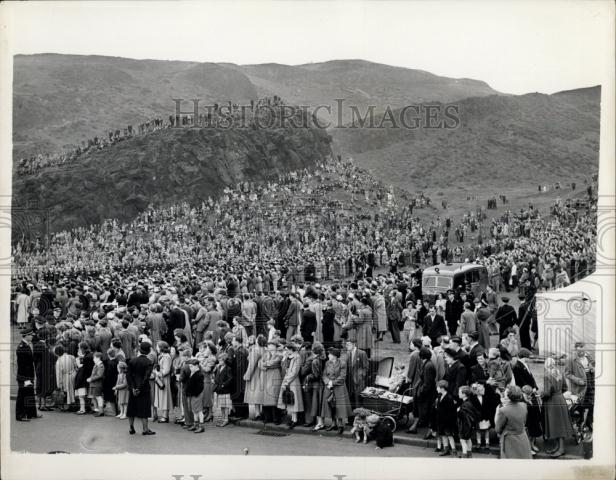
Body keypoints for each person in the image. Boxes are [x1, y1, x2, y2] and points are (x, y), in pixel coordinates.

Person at [542, 357, 574, 457]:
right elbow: (565, 387)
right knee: (559, 424)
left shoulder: (547, 375)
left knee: (557, 425)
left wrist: (542, 394)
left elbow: (547, 392)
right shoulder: (559, 372)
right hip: (560, 399)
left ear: (546, 366)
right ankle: (558, 447)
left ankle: (561, 449)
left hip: (552, 401)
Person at [494, 385, 533, 459]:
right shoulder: (524, 405)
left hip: (510, 440)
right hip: (522, 436)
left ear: (508, 396)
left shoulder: (504, 410)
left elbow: (497, 429)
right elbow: (524, 421)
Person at [126, 342, 155, 435]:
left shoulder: (132, 361)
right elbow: (146, 377)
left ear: (140, 349)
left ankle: (131, 427)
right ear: (149, 351)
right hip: (143, 388)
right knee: (144, 408)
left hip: (133, 387)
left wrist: (133, 387)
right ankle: (145, 429)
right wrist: (139, 388)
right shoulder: (149, 362)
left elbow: (128, 375)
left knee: (131, 407)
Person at [321, 347, 352, 434]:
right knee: (330, 405)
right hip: (329, 387)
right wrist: (328, 383)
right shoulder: (327, 363)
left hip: (339, 387)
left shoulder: (342, 363)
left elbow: (342, 377)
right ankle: (333, 424)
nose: (328, 355)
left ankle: (340, 425)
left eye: (329, 354)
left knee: (339, 406)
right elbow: (324, 375)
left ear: (334, 356)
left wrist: (332, 383)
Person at [277, 342, 304, 428]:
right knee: (289, 400)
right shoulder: (288, 357)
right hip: (287, 380)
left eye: (287, 349)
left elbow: (295, 372)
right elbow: (284, 367)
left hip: (293, 381)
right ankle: (292, 419)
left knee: (293, 400)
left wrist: (286, 381)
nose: (285, 351)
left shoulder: (297, 357)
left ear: (290, 349)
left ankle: (295, 420)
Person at [15, 328, 40, 421]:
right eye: (30, 335)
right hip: (24, 376)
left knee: (30, 394)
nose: (32, 336)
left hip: (29, 375)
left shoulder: (26, 345)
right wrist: (26, 379)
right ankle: (20, 415)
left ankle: (31, 413)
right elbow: (22, 365)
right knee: (22, 395)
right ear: (26, 336)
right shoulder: (22, 347)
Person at [260, 340, 283, 425]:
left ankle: (276, 419)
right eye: (268, 345)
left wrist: (265, 364)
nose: (269, 346)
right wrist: (265, 365)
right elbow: (259, 364)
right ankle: (267, 418)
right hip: (267, 377)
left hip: (275, 376)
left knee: (274, 397)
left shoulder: (279, 355)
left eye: (271, 345)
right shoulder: (266, 354)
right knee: (266, 398)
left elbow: (273, 363)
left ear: (275, 346)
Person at [243, 335, 265, 420]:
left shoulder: (256, 350)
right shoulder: (265, 349)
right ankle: (262, 412)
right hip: (263, 373)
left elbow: (251, 364)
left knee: (256, 393)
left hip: (256, 373)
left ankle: (257, 413)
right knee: (261, 393)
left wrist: (247, 375)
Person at [434, 379, 457, 456]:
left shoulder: (449, 398)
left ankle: (454, 451)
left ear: (442, 388)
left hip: (447, 422)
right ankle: (446, 449)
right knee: (443, 435)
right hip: (441, 421)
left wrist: (448, 422)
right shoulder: (440, 396)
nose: (436, 389)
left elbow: (451, 412)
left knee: (450, 436)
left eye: (437, 387)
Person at [345, 339, 369, 410]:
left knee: (358, 400)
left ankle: (358, 416)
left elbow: (366, 367)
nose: (346, 346)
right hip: (349, 381)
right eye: (346, 345)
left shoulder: (362, 353)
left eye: (348, 345)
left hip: (358, 381)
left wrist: (361, 376)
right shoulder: (348, 353)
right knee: (351, 400)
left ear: (353, 344)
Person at [457, 386, 480, 458]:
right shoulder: (469, 402)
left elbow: (464, 416)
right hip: (470, 426)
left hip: (465, 426)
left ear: (464, 394)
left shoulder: (465, 404)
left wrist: (458, 411)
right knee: (469, 439)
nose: (458, 394)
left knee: (463, 441)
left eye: (459, 392)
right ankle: (469, 455)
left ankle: (464, 456)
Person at [153, 341, 173, 423]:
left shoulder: (167, 357)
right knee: (162, 396)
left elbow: (166, 370)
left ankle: (165, 416)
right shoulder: (161, 356)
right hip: (160, 378)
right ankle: (164, 415)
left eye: (157, 347)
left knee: (165, 396)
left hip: (164, 379)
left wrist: (157, 372)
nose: (156, 348)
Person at [54, 344, 77, 411]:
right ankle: (74, 404)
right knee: (73, 390)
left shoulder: (59, 361)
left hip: (65, 376)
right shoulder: (71, 356)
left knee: (68, 391)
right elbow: (75, 366)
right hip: (73, 374)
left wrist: (59, 385)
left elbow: (58, 374)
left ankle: (70, 405)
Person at [213, 354, 234, 427]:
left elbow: (230, 378)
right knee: (222, 405)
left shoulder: (228, 369)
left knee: (225, 406)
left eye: (221, 360)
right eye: (219, 360)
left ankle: (226, 419)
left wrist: (223, 384)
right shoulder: (218, 368)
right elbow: (216, 377)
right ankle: (223, 419)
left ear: (224, 361)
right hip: (219, 390)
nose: (219, 361)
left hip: (225, 390)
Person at [186, 359, 206, 433]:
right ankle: (196, 424)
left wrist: (195, 393)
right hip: (194, 394)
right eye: (189, 367)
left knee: (199, 410)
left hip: (197, 394)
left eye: (191, 366)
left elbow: (200, 387)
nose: (190, 368)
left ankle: (201, 426)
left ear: (196, 366)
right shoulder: (193, 373)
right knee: (194, 410)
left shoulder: (199, 374)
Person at [521, 385, 543, 455]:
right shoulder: (521, 400)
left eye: (530, 394)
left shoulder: (533, 398)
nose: (528, 396)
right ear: (523, 393)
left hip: (533, 419)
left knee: (533, 434)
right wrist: (527, 401)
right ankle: (528, 448)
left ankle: (532, 444)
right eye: (526, 394)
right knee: (527, 435)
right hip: (526, 420)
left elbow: (537, 409)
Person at [74, 341, 94, 414]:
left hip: (84, 378)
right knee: (88, 395)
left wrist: (80, 366)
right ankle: (89, 408)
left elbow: (86, 369)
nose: (78, 350)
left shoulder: (87, 357)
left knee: (81, 395)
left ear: (82, 348)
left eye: (79, 348)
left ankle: (83, 409)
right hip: (87, 377)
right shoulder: (90, 355)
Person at [87, 352, 105, 416]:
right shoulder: (96, 365)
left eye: (94, 358)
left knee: (98, 397)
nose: (93, 359)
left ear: (98, 358)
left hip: (97, 384)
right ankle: (97, 410)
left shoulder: (100, 365)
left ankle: (101, 411)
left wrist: (91, 379)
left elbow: (99, 375)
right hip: (94, 384)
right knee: (94, 397)